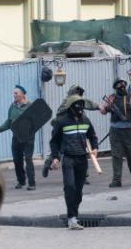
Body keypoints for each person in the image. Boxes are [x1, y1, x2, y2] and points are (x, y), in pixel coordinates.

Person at [50, 95, 99, 230]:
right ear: (71, 107)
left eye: (81, 105)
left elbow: (93, 136)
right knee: (69, 187)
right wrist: (55, 157)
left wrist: (95, 148)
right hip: (68, 159)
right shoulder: (63, 122)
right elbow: (54, 141)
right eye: (77, 105)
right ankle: (71, 218)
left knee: (78, 191)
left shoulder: (86, 121)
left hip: (82, 159)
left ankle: (74, 216)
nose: (80, 108)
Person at [43, 84, 99, 181]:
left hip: (75, 130)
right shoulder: (68, 102)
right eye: (78, 92)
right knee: (60, 149)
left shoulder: (79, 104)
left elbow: (85, 104)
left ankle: (84, 175)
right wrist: (98, 107)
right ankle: (47, 164)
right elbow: (88, 103)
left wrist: (98, 107)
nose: (80, 95)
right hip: (63, 130)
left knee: (80, 150)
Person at [100, 78, 131, 188]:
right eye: (119, 86)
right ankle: (116, 180)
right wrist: (104, 109)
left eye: (123, 85)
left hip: (130, 131)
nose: (122, 88)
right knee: (116, 155)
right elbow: (102, 109)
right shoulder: (112, 98)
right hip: (116, 131)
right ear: (116, 88)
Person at [0, 85, 36, 190]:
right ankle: (21, 181)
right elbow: (9, 122)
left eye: (16, 93)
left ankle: (32, 183)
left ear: (22, 94)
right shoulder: (12, 106)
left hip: (28, 138)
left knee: (28, 159)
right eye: (13, 93)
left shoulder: (30, 106)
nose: (14, 95)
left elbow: (36, 121)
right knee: (17, 159)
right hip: (16, 137)